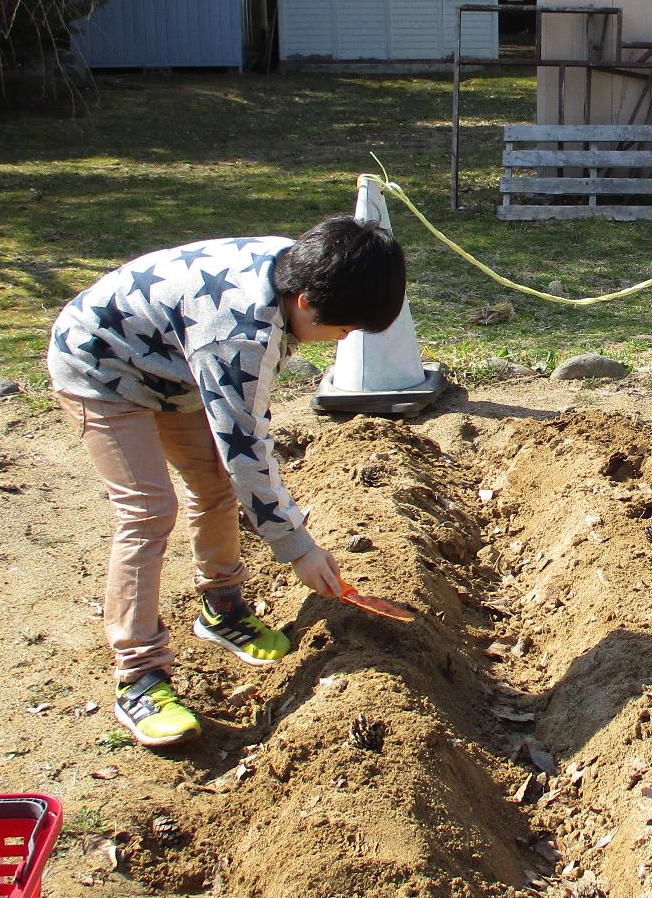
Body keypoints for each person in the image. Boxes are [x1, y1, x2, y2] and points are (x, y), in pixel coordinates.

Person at [47, 217, 406, 747]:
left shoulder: (306, 265)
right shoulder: (238, 338)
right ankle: (139, 675)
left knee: (212, 482)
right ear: (306, 302)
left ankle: (222, 606)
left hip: (172, 364)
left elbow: (234, 452)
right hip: (102, 365)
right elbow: (248, 453)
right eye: (344, 329)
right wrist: (299, 547)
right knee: (148, 510)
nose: (343, 340)